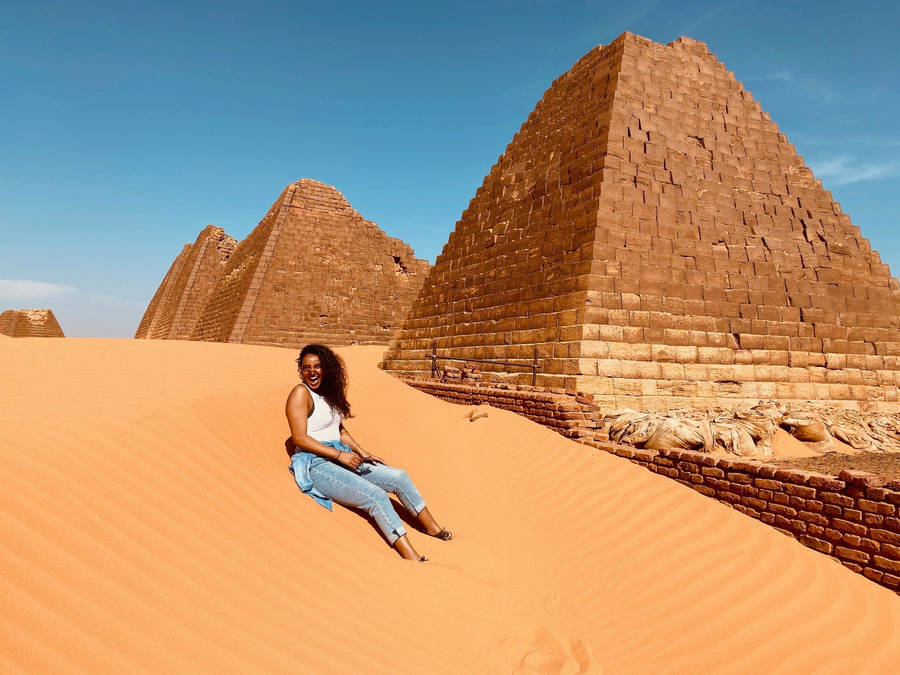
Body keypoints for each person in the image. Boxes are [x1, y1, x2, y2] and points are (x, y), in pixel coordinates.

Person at [286, 343, 451, 561]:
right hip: (317, 463)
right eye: (306, 367)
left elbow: (338, 430)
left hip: (341, 455)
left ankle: (433, 528)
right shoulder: (300, 393)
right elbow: (299, 438)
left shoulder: (328, 394)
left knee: (399, 477)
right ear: (301, 370)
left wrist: (362, 451)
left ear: (326, 368)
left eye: (317, 366)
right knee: (375, 496)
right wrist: (339, 456)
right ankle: (410, 555)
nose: (312, 372)